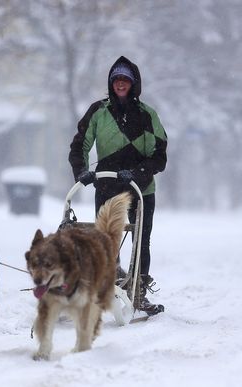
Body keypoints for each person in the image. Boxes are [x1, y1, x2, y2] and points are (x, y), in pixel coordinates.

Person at [68, 56, 168, 316]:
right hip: (107, 188)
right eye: (116, 80)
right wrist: (82, 171)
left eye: (125, 80)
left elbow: (160, 155)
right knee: (106, 239)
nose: (120, 84)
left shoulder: (147, 115)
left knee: (140, 241)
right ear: (111, 83)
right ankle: (109, 281)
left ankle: (139, 291)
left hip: (141, 190)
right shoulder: (98, 112)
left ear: (133, 84)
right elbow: (80, 144)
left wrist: (137, 172)